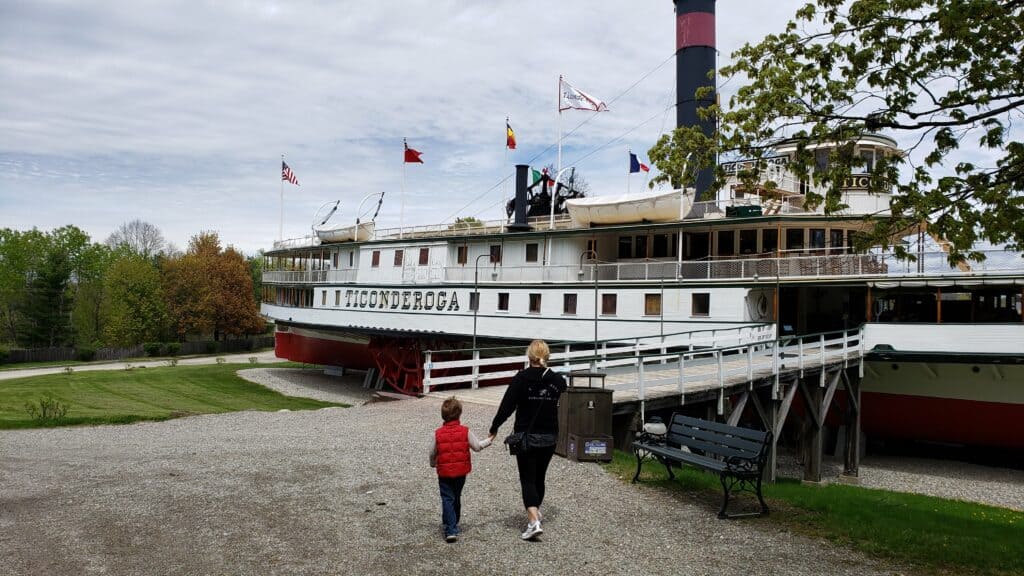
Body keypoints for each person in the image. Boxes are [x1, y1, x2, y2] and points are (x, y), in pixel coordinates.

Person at [487, 339, 567, 540]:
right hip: (549, 436)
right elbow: (563, 387)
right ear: (546, 356)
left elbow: (507, 406)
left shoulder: (521, 379)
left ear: (529, 356)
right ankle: (535, 512)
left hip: (527, 437)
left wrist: (494, 427)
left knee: (527, 478)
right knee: (539, 477)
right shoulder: (557, 380)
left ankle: (533, 522)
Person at [429, 396, 491, 543]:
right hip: (461, 471)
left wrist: (433, 463)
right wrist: (489, 440)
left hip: (444, 472)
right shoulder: (465, 431)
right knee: (456, 496)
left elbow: (432, 452)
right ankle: (452, 523)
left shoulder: (437, 433)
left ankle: (450, 527)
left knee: (447, 498)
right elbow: (477, 446)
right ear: (459, 414)